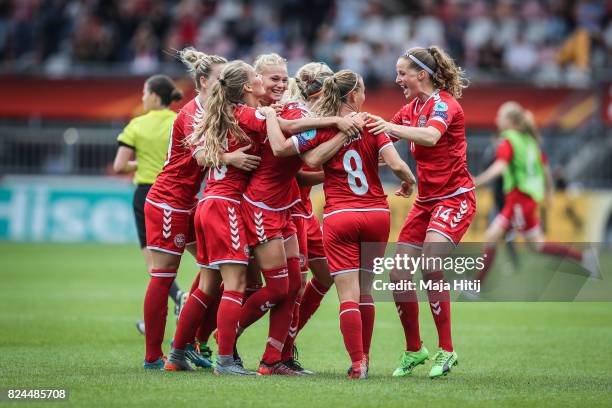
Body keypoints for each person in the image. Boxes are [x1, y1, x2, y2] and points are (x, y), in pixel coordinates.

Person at [266, 69, 416, 379]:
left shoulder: (321, 127)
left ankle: (357, 364)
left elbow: (308, 161)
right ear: (353, 95)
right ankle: (368, 358)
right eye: (361, 90)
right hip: (376, 215)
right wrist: (409, 183)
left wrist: (338, 135)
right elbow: (399, 165)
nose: (364, 96)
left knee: (347, 296)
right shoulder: (373, 123)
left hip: (340, 216)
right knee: (365, 292)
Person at [237, 54, 364, 375]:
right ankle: (217, 341)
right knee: (261, 285)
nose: (329, 96)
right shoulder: (293, 114)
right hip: (278, 208)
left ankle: (280, 351)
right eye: (324, 90)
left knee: (306, 283)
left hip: (298, 211)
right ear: (311, 92)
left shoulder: (310, 115)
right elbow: (295, 165)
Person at [366, 46, 475, 378]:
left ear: (421, 75)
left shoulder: (444, 105)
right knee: (398, 274)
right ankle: (415, 350)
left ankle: (447, 350)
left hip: (455, 199)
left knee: (430, 265)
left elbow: (429, 137)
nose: (397, 79)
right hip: (427, 202)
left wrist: (389, 127)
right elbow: (384, 140)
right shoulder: (411, 107)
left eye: (402, 73)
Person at [139, 50, 229, 370]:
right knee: (163, 278)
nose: (227, 85)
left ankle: (187, 342)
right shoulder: (193, 113)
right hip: (168, 202)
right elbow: (204, 157)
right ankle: (153, 356)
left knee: (216, 270)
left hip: (189, 203)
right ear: (203, 81)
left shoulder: (216, 110)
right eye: (221, 79)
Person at [473, 101, 599, 285]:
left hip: (518, 199)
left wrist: (478, 181)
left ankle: (476, 285)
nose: (497, 119)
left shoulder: (509, 139)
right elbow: (545, 167)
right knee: (534, 244)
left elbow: (500, 166)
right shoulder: (529, 141)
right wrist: (549, 192)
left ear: (510, 120)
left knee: (499, 238)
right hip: (525, 199)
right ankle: (584, 258)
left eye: (500, 116)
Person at [112, 74, 184, 349]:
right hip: (179, 193)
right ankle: (174, 311)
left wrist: (140, 162)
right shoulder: (179, 120)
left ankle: (179, 300)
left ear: (155, 96)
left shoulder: (137, 125)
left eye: (144, 92)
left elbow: (119, 166)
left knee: (156, 268)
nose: (142, 98)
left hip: (148, 197)